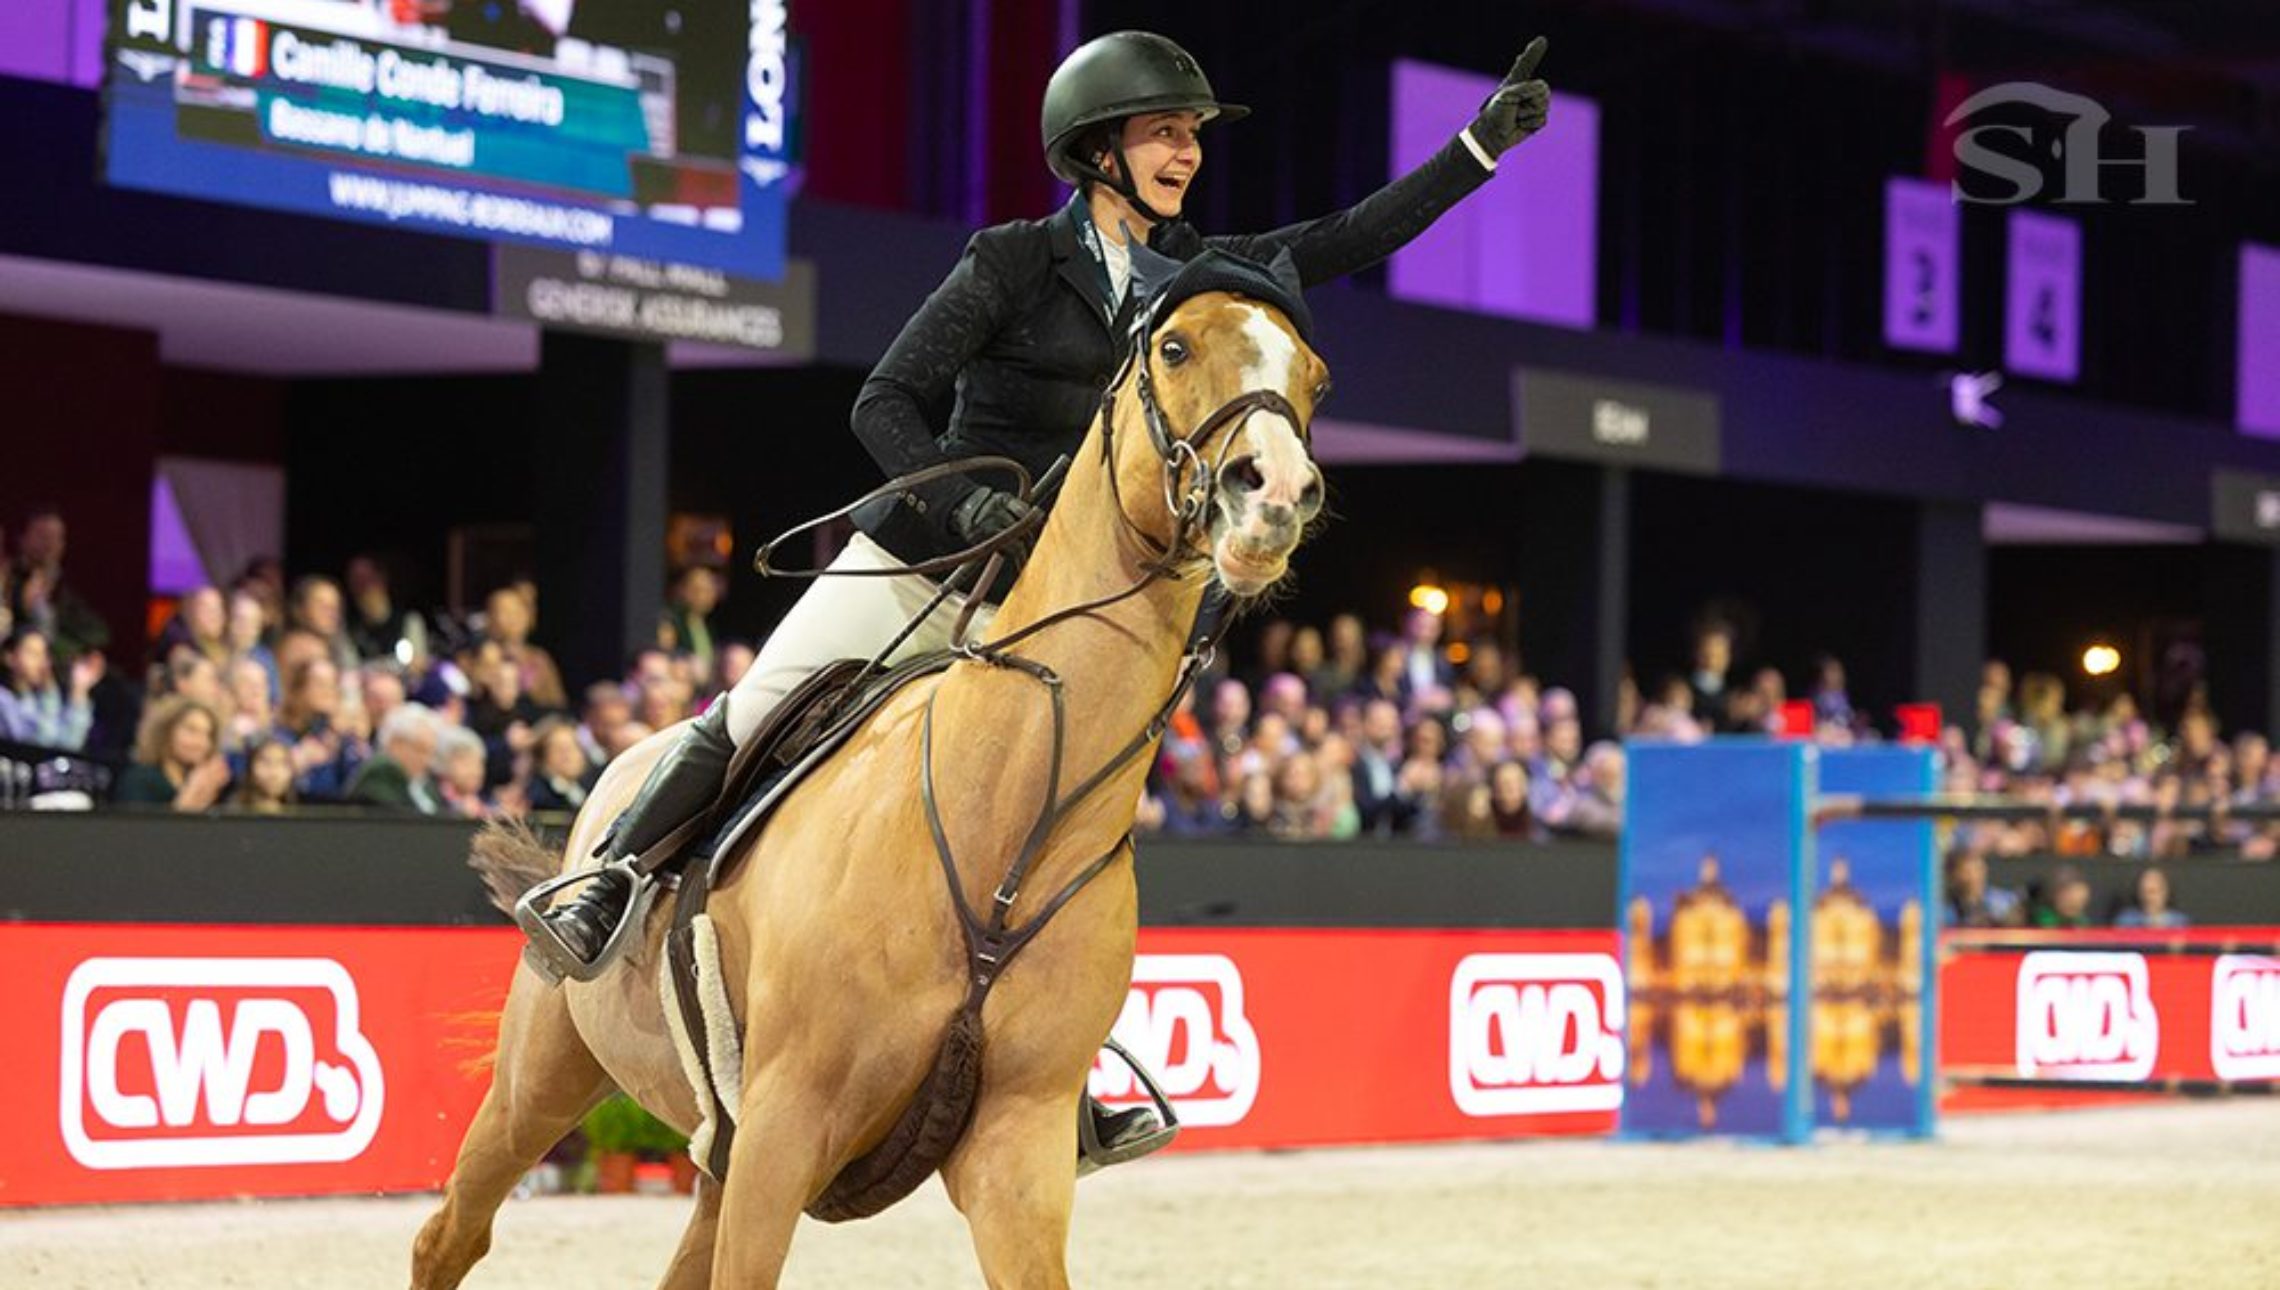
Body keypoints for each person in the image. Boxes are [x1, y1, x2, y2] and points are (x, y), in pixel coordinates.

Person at [534, 28, 1554, 1162]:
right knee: (759, 703)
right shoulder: (1013, 261)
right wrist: (964, 509)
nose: (1186, 151)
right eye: (1165, 130)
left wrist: (1474, 151)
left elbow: (1342, 239)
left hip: (1055, 603)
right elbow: (885, 404)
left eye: (1193, 136)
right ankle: (609, 880)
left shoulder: (1193, 284)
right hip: (927, 557)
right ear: (1099, 148)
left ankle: (1060, 1070)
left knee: (1071, 822)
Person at [115, 696, 232, 812]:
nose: (201, 742)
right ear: (166, 732)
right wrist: (190, 796)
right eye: (191, 730)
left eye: (208, 734)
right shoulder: (138, 779)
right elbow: (136, 827)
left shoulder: (210, 784)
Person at [0, 627, 97, 751]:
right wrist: (49, 691)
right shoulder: (3, 700)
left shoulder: (33, 699)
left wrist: (79, 690)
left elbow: (68, 744)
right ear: (9, 657)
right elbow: (39, 744)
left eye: (43, 654)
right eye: (33, 653)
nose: (42, 663)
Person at [346, 703, 445, 814]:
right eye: (420, 750)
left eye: (430, 752)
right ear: (396, 744)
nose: (427, 761)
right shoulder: (380, 772)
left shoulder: (426, 786)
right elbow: (398, 819)